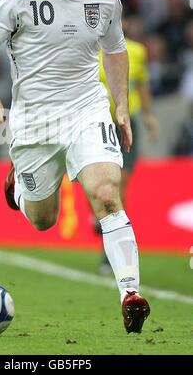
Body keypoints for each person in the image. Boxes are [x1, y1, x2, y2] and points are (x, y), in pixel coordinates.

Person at [0, 0, 150, 334]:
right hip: (33, 122)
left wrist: (120, 103)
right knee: (42, 220)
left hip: (87, 109)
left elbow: (115, 48)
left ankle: (130, 293)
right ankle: (19, 187)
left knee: (106, 194)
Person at [94, 30, 160, 275]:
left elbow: (141, 84)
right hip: (97, 125)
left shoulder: (136, 51)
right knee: (96, 184)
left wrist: (149, 115)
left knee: (120, 189)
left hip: (126, 125)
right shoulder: (90, 49)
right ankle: (97, 219)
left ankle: (107, 256)